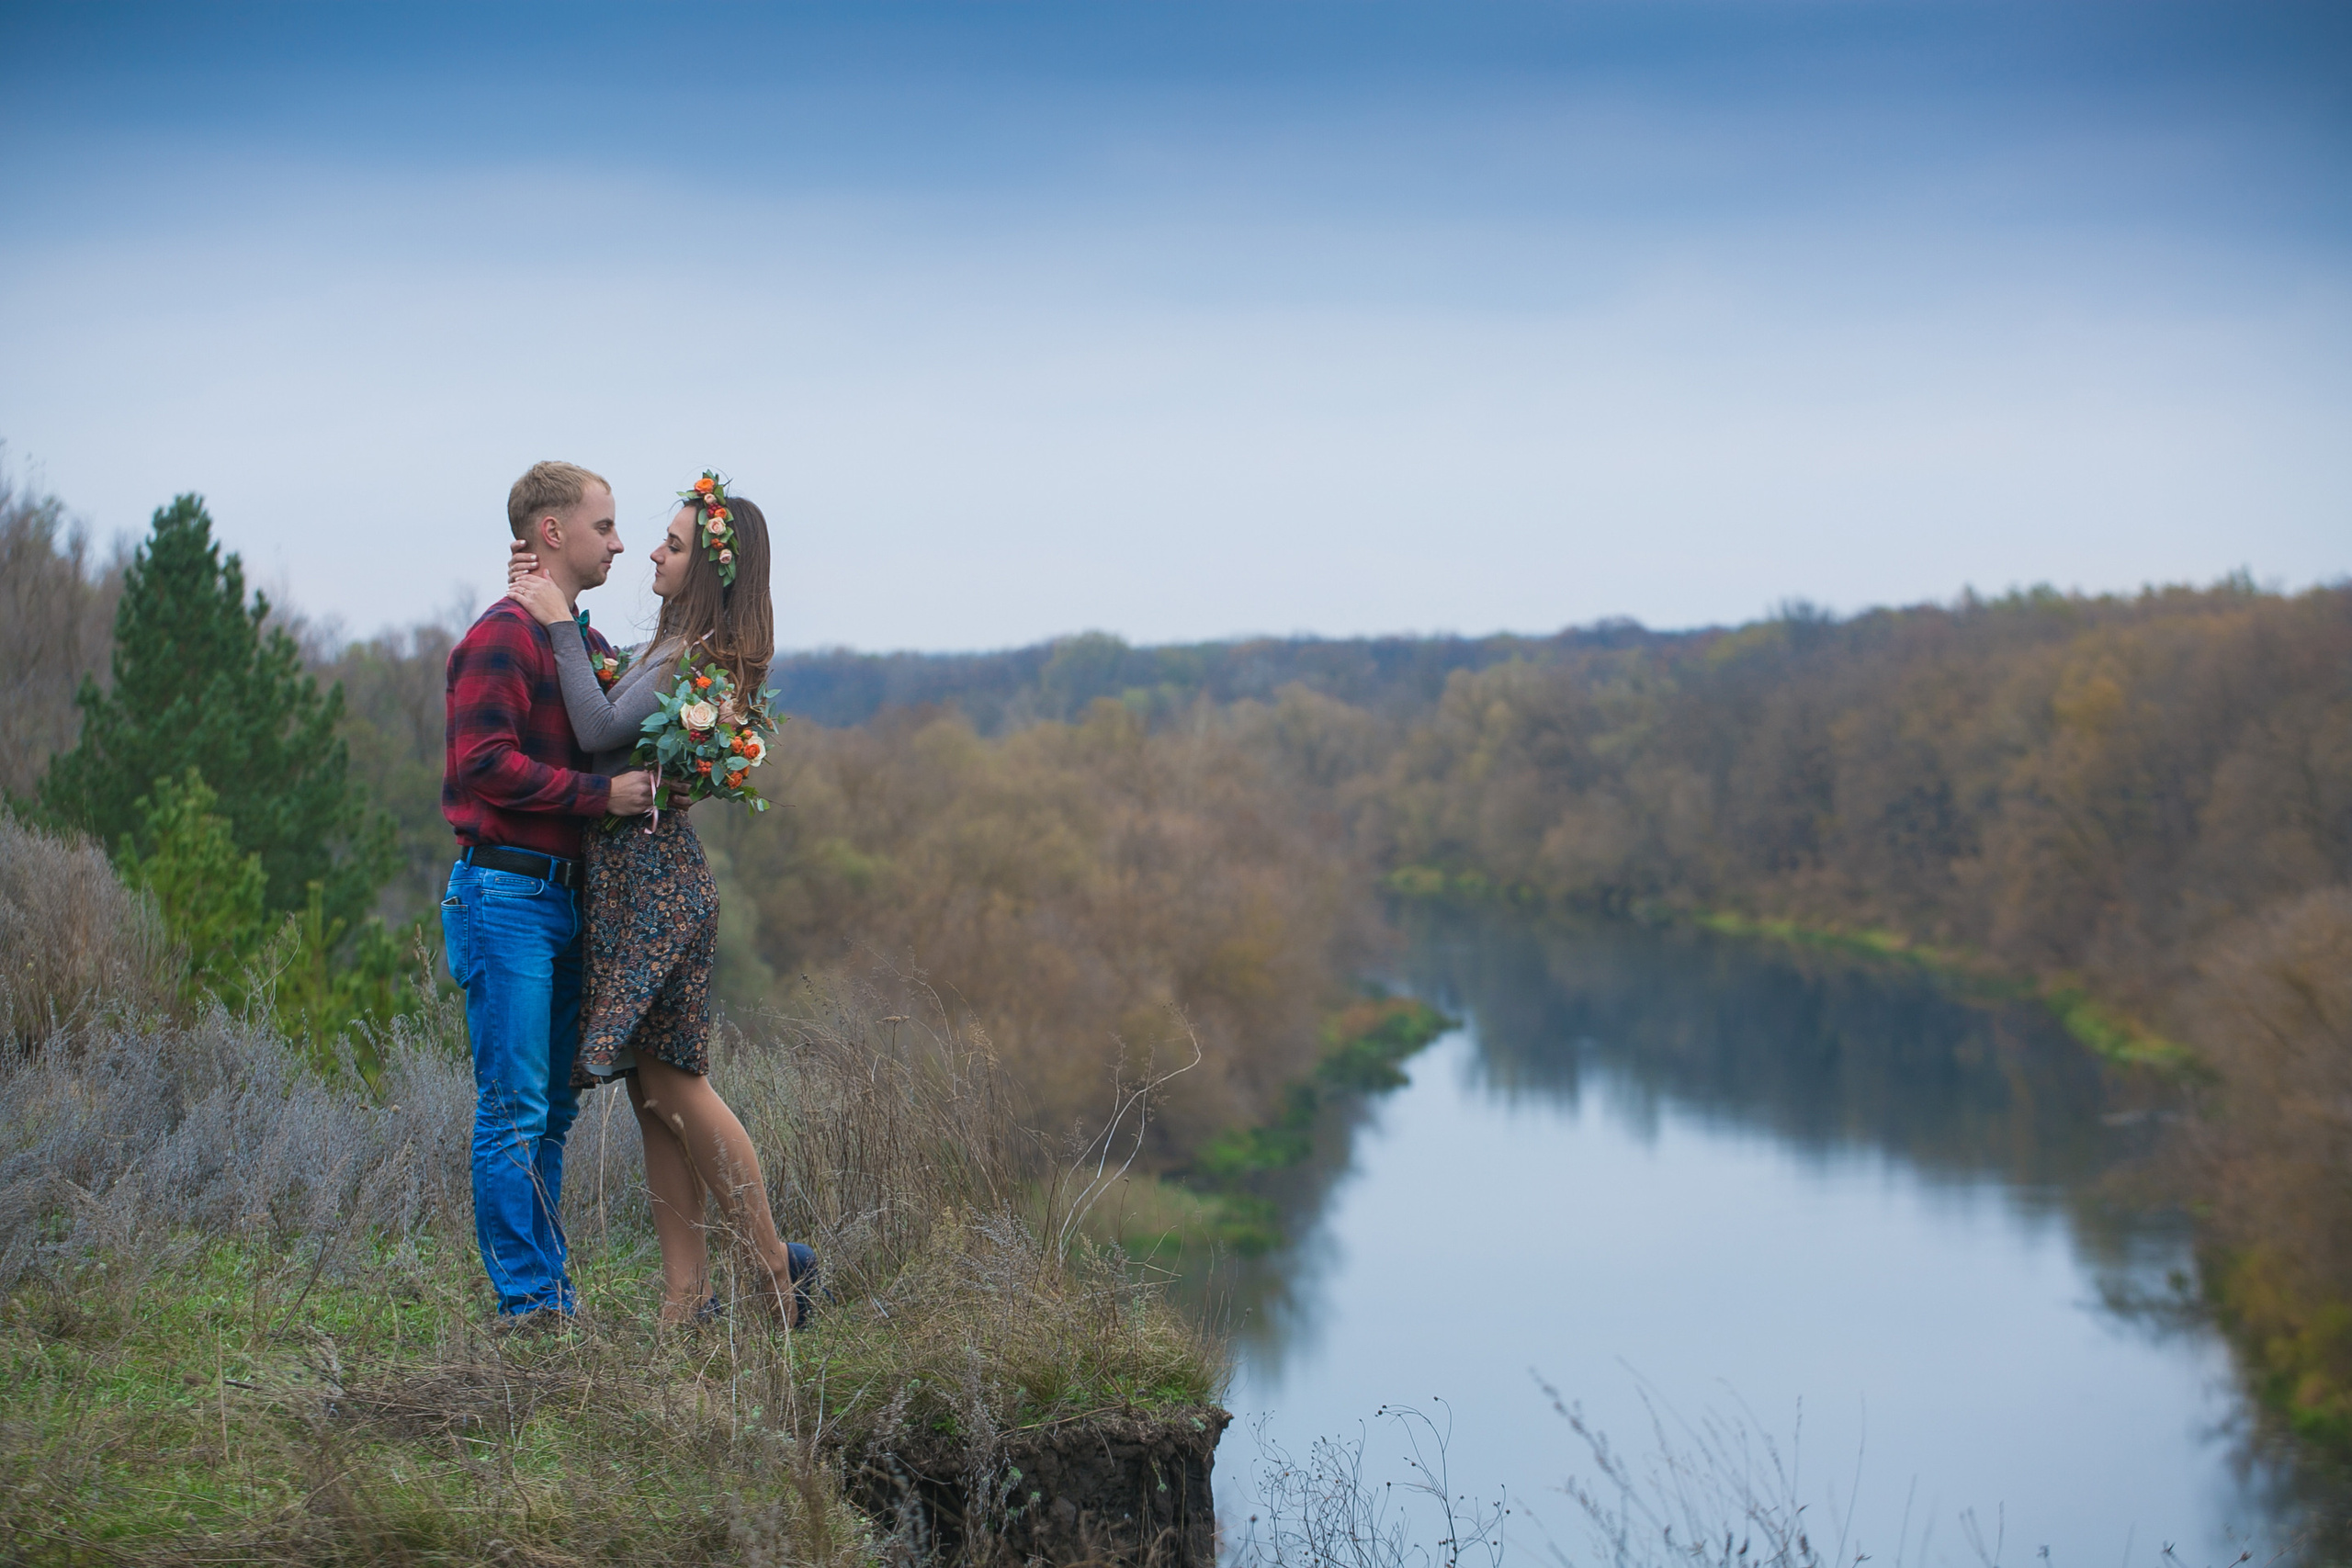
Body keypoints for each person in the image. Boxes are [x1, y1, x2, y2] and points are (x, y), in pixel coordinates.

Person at [505, 474, 816, 1328]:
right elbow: (608, 705)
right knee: (653, 1096)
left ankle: (775, 1268)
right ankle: (686, 1299)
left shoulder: (691, 656)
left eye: (672, 545)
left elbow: (598, 728)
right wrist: (550, 601)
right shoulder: (669, 649)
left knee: (677, 1087)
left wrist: (558, 623)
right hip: (633, 884)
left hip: (656, 889)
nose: (651, 551)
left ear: (706, 569)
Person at [442, 460, 658, 1321]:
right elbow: (484, 766)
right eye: (604, 527)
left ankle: (548, 1294)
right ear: (552, 532)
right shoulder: (500, 637)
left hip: (565, 902)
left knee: (554, 1109)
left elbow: (610, 712)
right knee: (515, 1107)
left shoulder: (578, 644)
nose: (619, 543)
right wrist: (599, 797)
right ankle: (529, 1304)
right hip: (506, 894)